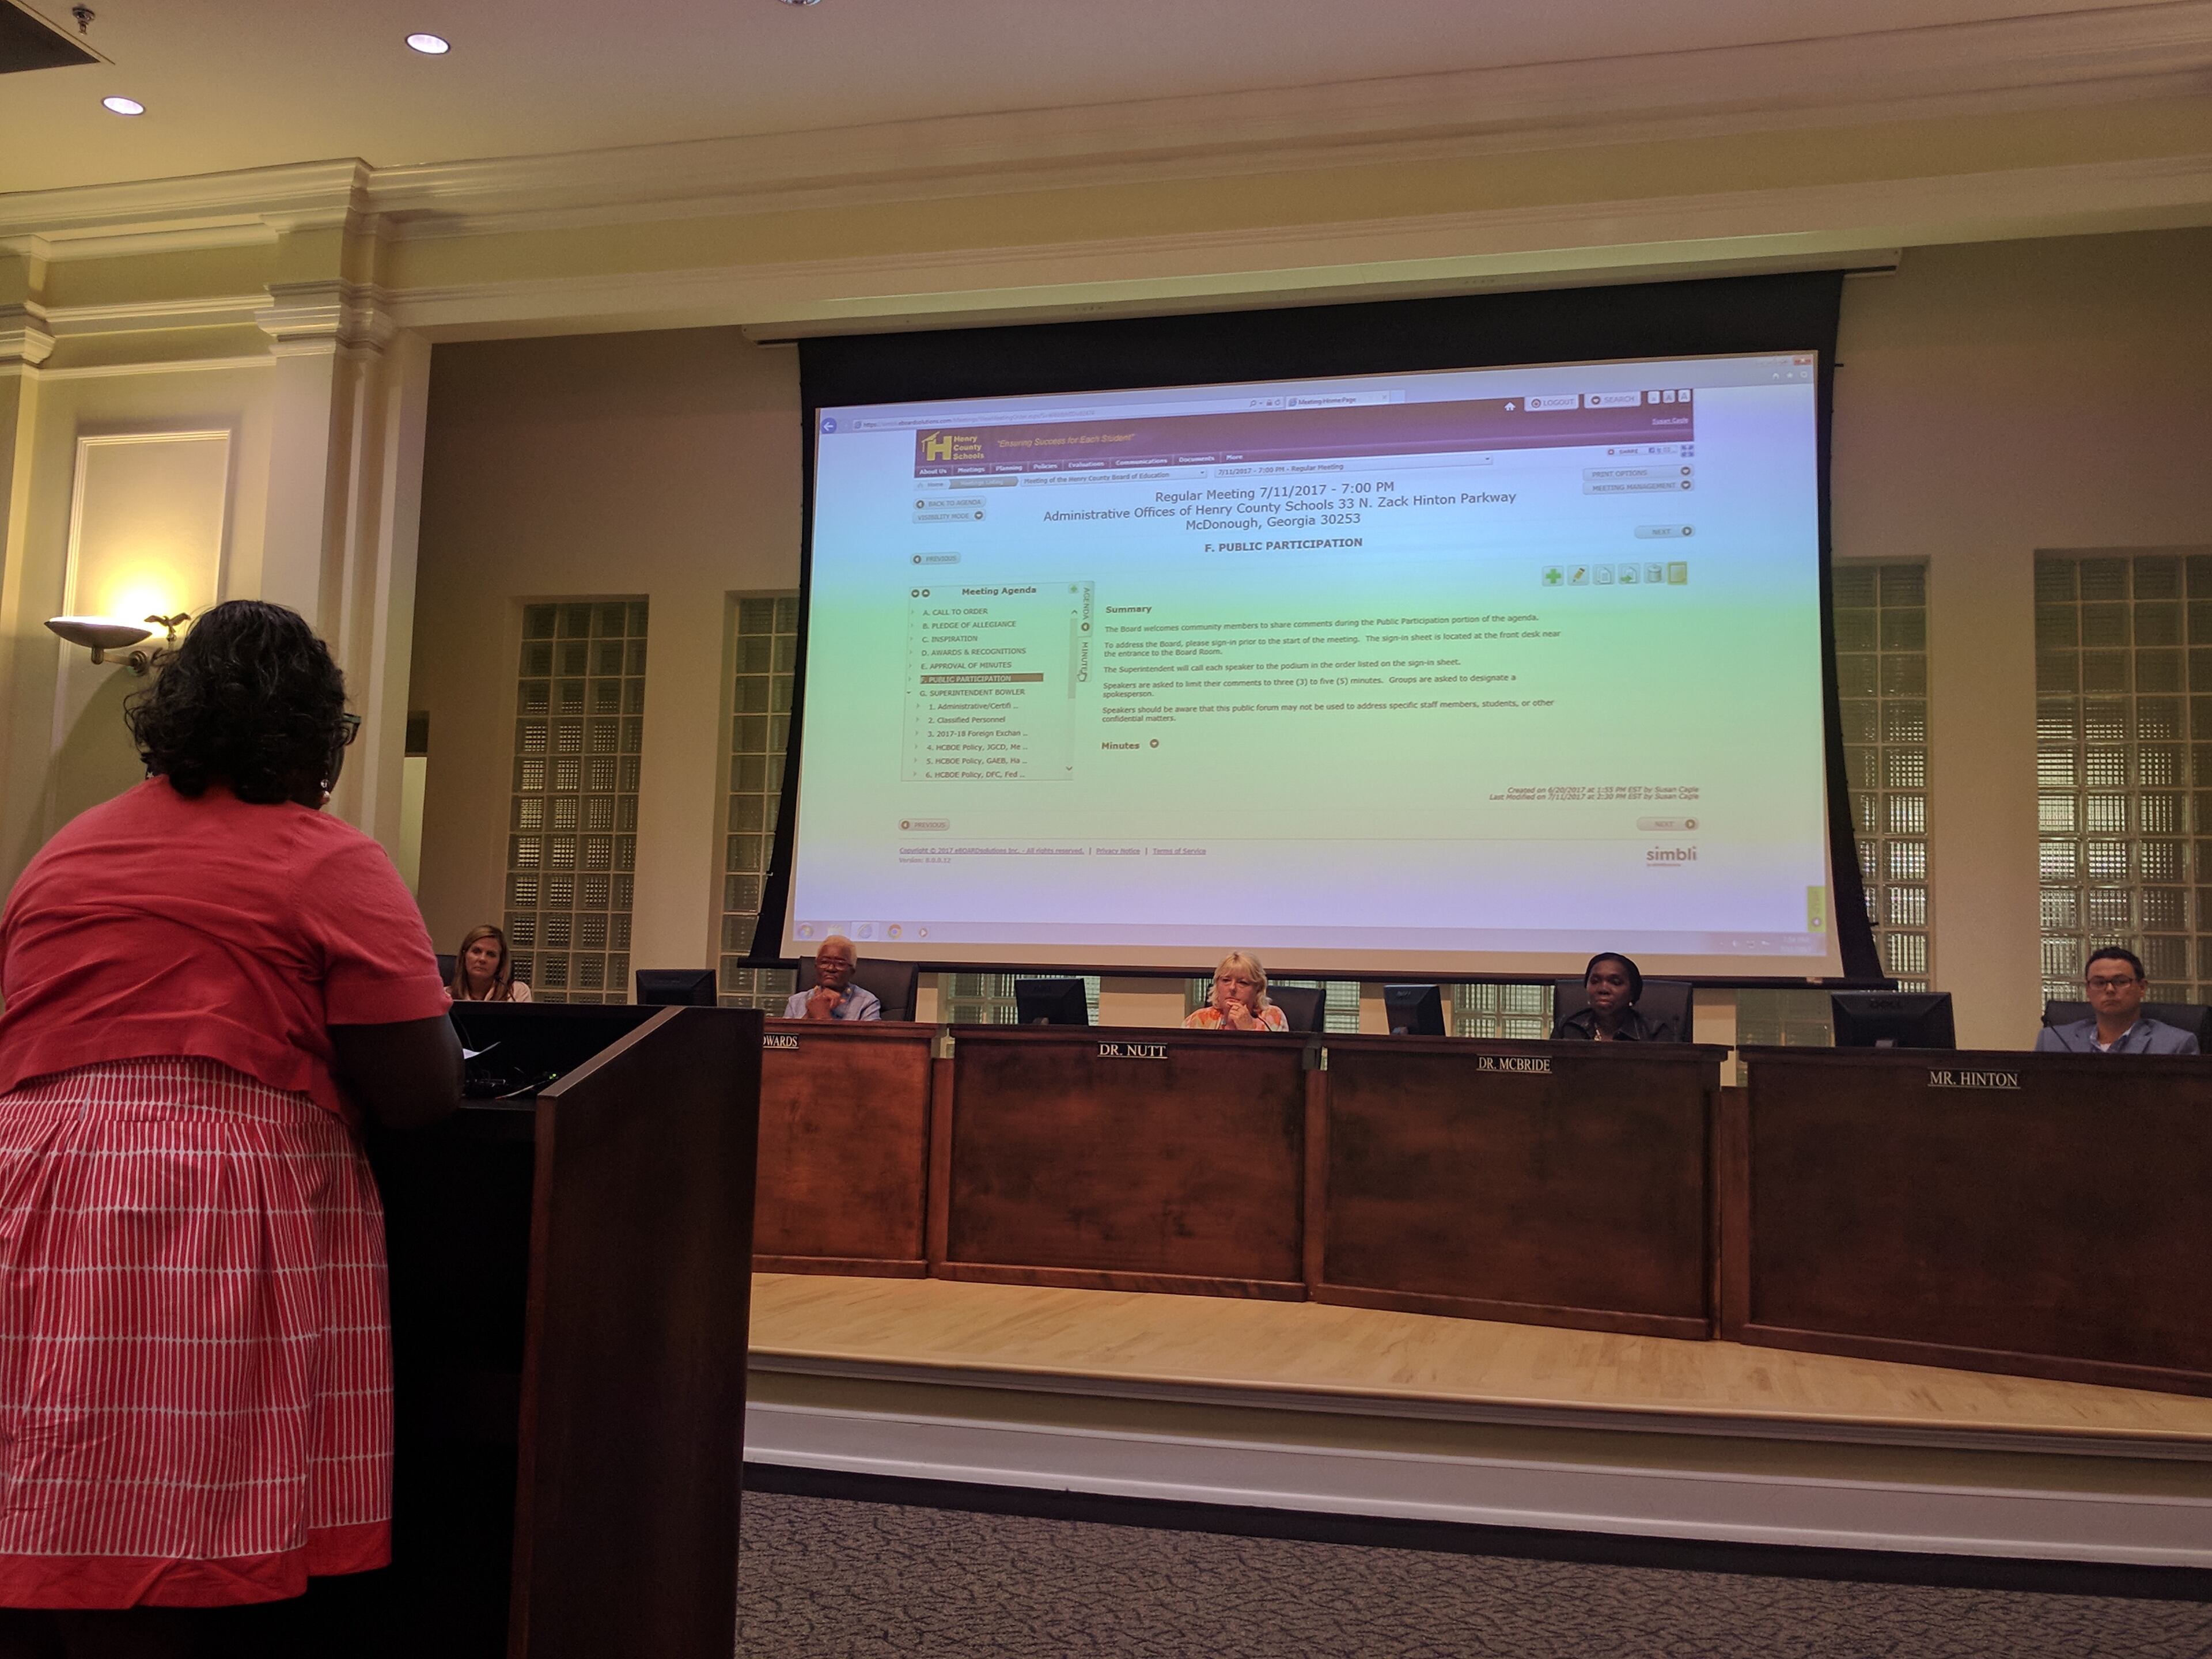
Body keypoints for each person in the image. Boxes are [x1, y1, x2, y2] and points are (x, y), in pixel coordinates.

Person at [0, 600, 461, 1654]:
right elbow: (422, 1093)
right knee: (192, 1520)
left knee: (48, 1487)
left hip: (30, 1181)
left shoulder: (66, 850)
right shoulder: (326, 857)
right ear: (318, 741)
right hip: (199, 1195)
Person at [2035, 947, 2200, 1055]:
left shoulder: (2177, 1045)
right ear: (2088, 990)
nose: (2110, 990)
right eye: (2099, 983)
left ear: (2142, 987)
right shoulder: (2052, 1041)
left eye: (2120, 981)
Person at [1551, 952, 1678, 1041]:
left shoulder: (1654, 1033)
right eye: (1595, 981)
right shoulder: (1567, 1028)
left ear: (1632, 992)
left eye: (1615, 982)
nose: (1603, 989)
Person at [1183, 951, 1289, 1031]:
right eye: (1226, 980)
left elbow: (1279, 1060)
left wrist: (1249, 1029)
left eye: (1242, 983)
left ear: (1258, 988)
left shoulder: (1273, 1018)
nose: (1232, 988)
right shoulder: (1198, 1020)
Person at [782, 935, 881, 1021]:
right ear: (816, 967)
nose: (831, 968)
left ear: (852, 972)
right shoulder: (796, 1002)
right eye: (824, 962)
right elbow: (784, 1040)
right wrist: (809, 1015)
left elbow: (872, 1042)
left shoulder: (867, 1003)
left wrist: (824, 1018)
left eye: (840, 964)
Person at [447, 922, 532, 1002]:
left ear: (500, 962)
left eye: (491, 954)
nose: (482, 959)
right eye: (476, 951)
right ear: (464, 955)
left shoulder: (517, 992)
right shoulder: (444, 995)